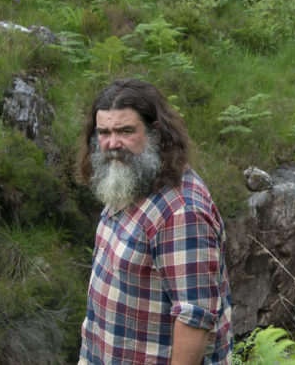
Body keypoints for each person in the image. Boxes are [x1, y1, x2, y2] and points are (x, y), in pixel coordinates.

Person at [78, 79, 232, 364]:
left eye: (125, 131)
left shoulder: (181, 212)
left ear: (156, 132)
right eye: (104, 133)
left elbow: (194, 318)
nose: (112, 144)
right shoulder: (131, 180)